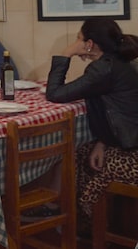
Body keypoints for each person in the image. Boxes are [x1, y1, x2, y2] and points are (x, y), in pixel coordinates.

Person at [44, 18, 138, 230]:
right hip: (127, 143)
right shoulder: (120, 61)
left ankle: (83, 223)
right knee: (82, 152)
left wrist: (66, 54)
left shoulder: (103, 69)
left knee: (77, 156)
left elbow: (55, 93)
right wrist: (102, 143)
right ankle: (85, 223)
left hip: (133, 155)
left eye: (79, 38)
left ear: (90, 43)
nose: (77, 43)